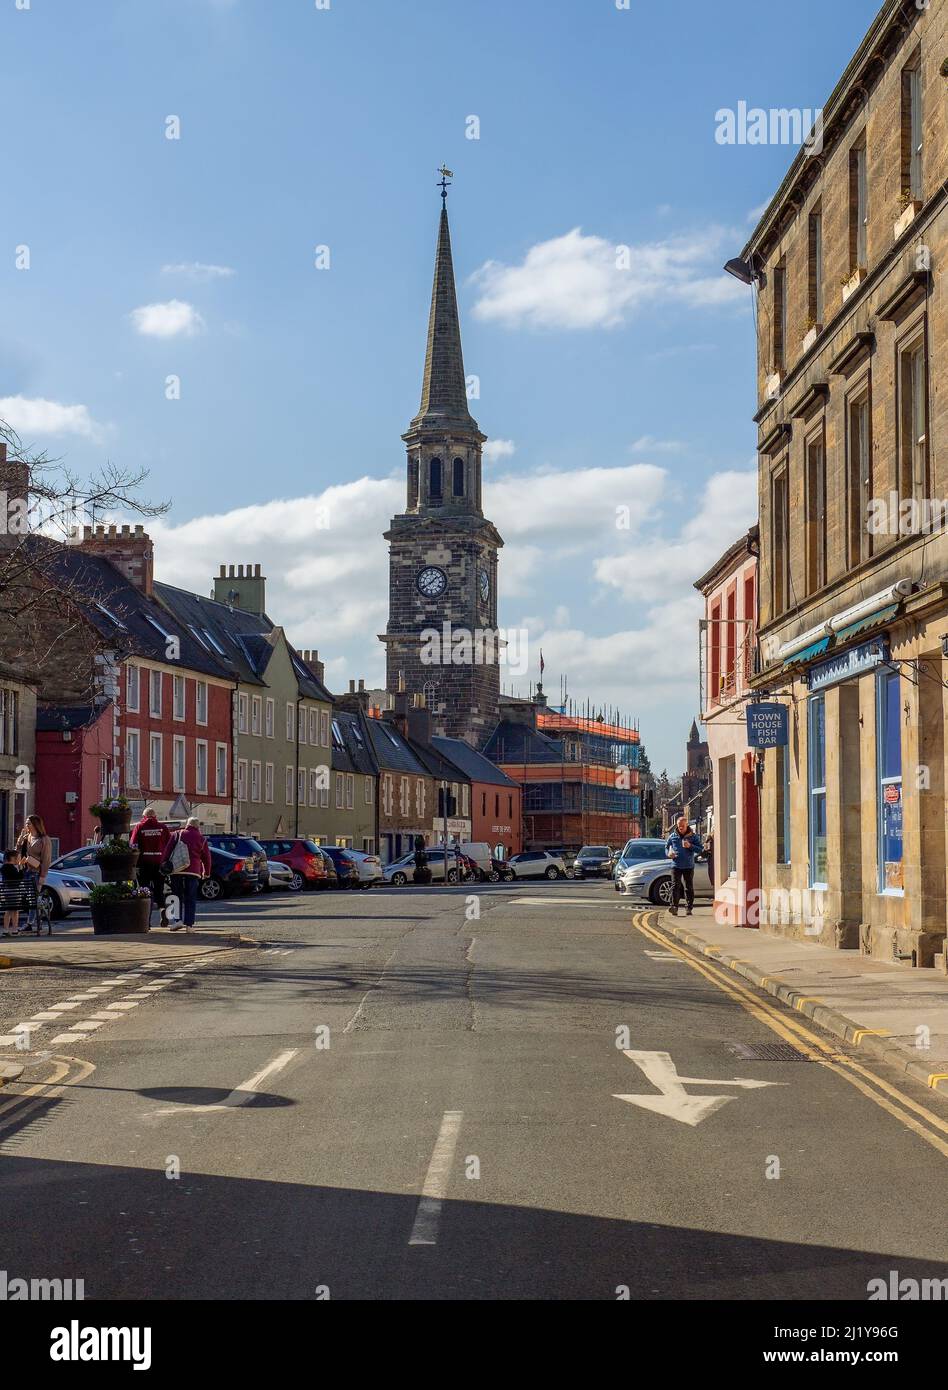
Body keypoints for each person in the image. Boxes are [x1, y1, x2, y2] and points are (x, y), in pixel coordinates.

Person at [164, 816, 211, 931]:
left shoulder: (177, 834)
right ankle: (189, 925)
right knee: (191, 898)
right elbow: (207, 857)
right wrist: (207, 872)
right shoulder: (201, 839)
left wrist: (164, 865)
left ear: (187, 825)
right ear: (197, 826)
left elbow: (167, 850)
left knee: (176, 895)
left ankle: (177, 921)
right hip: (193, 872)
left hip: (177, 870)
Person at [131, 806, 172, 927]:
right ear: (155, 816)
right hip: (159, 864)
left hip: (143, 864)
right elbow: (169, 845)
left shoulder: (140, 827)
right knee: (159, 890)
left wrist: (134, 862)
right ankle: (162, 909)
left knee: (145, 891)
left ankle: (146, 921)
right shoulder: (163, 828)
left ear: (144, 817)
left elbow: (133, 845)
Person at [15, 815, 52, 934]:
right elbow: (17, 852)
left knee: (33, 899)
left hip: (36, 873)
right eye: (26, 823)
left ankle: (30, 923)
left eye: (29, 823)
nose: (26, 825)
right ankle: (34, 922)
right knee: (30, 899)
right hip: (26, 872)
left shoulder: (44, 839)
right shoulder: (27, 837)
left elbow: (46, 860)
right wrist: (20, 840)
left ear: (35, 824)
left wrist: (42, 876)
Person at [665, 814, 703, 917]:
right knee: (674, 886)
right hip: (676, 865)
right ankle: (674, 907)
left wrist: (690, 846)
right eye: (679, 825)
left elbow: (700, 849)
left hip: (688, 866)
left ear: (687, 825)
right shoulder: (672, 836)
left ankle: (689, 908)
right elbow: (667, 847)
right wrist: (669, 854)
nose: (681, 827)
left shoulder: (693, 836)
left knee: (688, 887)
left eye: (683, 825)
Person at [1, 849, 25, 937]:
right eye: (18, 858)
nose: (19, 859)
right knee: (15, 911)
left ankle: (5, 929)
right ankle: (15, 929)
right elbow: (19, 879)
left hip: (7, 892)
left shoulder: (4, 868)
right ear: (12, 858)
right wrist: (21, 867)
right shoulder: (11, 868)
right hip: (14, 892)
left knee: (8, 910)